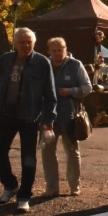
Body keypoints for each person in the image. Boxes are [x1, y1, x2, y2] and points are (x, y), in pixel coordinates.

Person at [0, 27, 56, 213]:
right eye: (22, 42)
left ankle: (24, 196)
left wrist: (48, 119)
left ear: (34, 43)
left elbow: (50, 93)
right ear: (15, 43)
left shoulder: (42, 63)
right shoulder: (3, 61)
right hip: (6, 114)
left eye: (29, 42)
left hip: (30, 117)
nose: (26, 45)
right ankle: (10, 185)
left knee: (28, 159)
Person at [41, 37, 91, 198]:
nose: (57, 53)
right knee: (47, 153)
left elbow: (88, 87)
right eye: (54, 50)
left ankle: (74, 186)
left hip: (69, 117)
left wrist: (71, 92)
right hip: (47, 117)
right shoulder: (43, 65)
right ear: (49, 50)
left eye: (60, 50)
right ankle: (52, 187)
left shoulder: (75, 65)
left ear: (65, 49)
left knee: (72, 152)